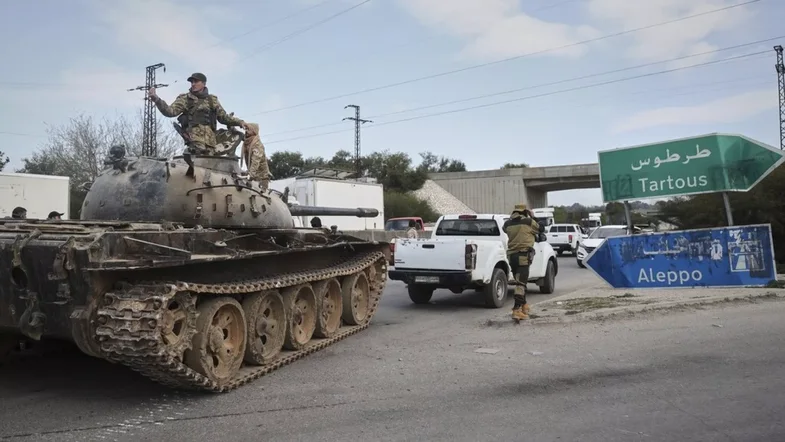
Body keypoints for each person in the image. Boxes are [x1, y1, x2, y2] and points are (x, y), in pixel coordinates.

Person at [147, 72, 256, 155]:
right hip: (194, 141)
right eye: (192, 82)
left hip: (211, 142)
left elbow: (223, 117)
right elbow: (170, 112)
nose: (193, 84)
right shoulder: (185, 99)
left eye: (196, 82)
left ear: (203, 83)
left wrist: (240, 122)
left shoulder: (212, 100)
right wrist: (157, 100)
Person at [502, 204, 540, 320]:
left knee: (519, 281)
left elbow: (505, 229)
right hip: (523, 256)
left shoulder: (507, 224)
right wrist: (533, 216)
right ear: (525, 212)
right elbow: (540, 228)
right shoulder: (529, 222)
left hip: (511, 256)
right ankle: (516, 310)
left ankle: (524, 306)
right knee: (521, 283)